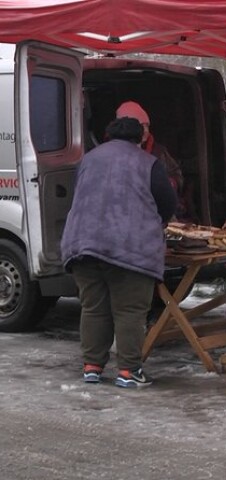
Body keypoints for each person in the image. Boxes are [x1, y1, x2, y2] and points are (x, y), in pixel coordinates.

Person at [61, 117, 177, 388]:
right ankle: (128, 371)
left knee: (93, 307)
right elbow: (167, 202)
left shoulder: (88, 159)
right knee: (130, 310)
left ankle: (92, 367)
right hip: (129, 247)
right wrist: (154, 223)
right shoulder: (148, 163)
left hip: (83, 242)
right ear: (140, 138)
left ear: (107, 135)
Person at [115, 101, 193, 221]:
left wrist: (172, 183)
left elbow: (176, 174)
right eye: (141, 126)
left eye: (147, 125)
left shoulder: (159, 151)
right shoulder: (111, 155)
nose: (146, 130)